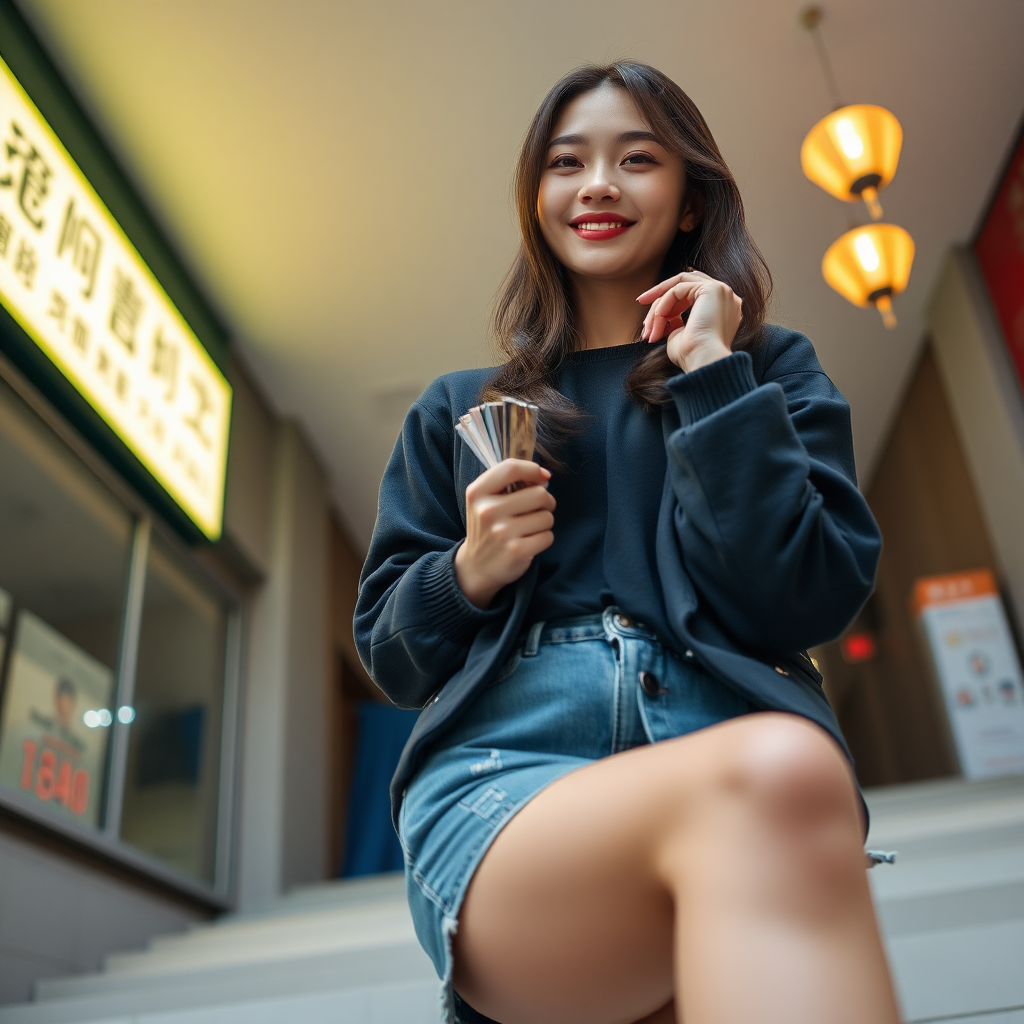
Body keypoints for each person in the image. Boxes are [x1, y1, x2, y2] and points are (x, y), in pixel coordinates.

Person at [355, 61, 896, 1024]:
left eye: (636, 158)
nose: (597, 183)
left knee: (775, 777)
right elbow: (393, 658)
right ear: (539, 198)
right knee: (783, 770)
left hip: (726, 739)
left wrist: (715, 379)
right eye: (567, 162)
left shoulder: (768, 371)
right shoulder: (459, 407)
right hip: (505, 781)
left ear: (691, 201)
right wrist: (467, 572)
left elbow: (805, 598)